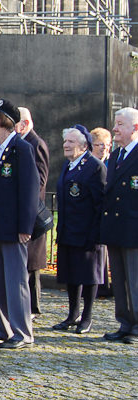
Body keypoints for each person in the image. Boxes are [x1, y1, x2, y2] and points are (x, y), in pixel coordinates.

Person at [0, 99, 39, 349]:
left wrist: (25, 227)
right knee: (0, 281)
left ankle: (23, 332)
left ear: (6, 121)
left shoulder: (21, 148)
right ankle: (3, 328)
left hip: (14, 228)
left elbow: (29, 190)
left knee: (16, 281)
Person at [53, 125, 106, 334]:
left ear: (84, 146)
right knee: (72, 274)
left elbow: (100, 204)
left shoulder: (94, 167)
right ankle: (72, 315)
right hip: (68, 231)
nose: (66, 145)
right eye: (65, 141)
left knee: (88, 275)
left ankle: (87, 317)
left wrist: (96, 235)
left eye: (71, 142)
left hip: (86, 233)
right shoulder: (69, 165)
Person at [101, 107, 138, 345]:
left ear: (135, 128)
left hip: (134, 229)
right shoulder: (115, 156)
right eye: (115, 124)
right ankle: (125, 322)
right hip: (116, 228)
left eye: (120, 124)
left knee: (135, 280)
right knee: (121, 279)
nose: (115, 129)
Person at [16, 107, 50, 317]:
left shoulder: (35, 144)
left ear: (25, 124)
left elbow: (39, 180)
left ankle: (33, 307)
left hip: (32, 214)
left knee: (32, 264)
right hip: (23, 212)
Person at [90, 126, 113, 297]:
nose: (104, 148)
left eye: (107, 145)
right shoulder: (89, 163)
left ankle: (104, 284)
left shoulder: (112, 162)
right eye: (100, 145)